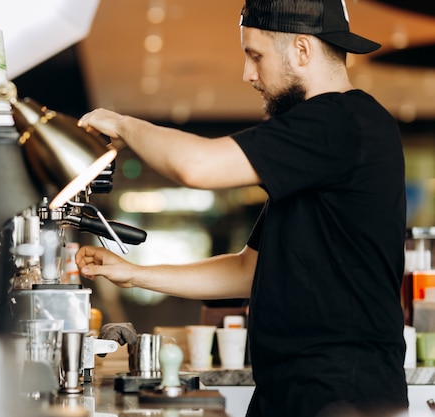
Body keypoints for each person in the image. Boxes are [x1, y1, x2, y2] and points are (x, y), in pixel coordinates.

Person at [75, 0, 409, 416]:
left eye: (255, 55)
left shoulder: (343, 121)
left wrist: (126, 124)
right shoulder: (317, 149)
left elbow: (197, 165)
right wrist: (135, 274)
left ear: (302, 50)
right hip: (287, 391)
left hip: (342, 396)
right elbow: (246, 271)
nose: (248, 73)